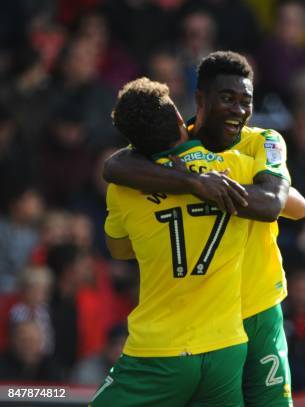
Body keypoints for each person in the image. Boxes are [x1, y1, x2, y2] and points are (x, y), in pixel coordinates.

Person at [103, 51, 305, 406]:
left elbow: (285, 205)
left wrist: (207, 184)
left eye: (246, 101)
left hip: (257, 307)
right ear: (200, 99)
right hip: (208, 322)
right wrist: (196, 182)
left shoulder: (264, 141)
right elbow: (114, 164)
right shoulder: (172, 147)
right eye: (228, 99)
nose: (239, 110)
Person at [92, 77, 258, 406]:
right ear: (181, 119)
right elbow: (294, 206)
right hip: (226, 347)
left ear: (133, 143)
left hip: (158, 350)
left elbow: (119, 249)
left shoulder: (124, 188)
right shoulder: (236, 166)